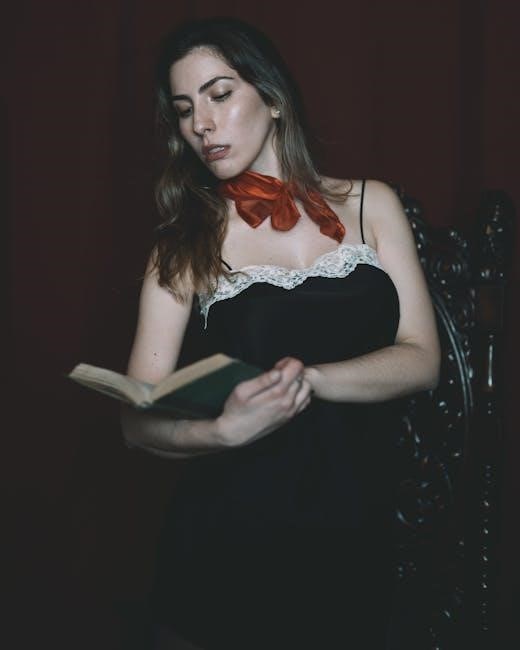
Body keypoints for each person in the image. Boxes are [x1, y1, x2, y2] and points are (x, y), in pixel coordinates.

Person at [121, 16, 440, 650]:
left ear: (272, 98)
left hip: (355, 532)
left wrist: (308, 380)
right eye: (184, 110)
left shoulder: (372, 205)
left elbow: (423, 359)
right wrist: (220, 431)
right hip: (227, 537)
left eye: (219, 94)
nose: (201, 124)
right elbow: (136, 418)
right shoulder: (182, 245)